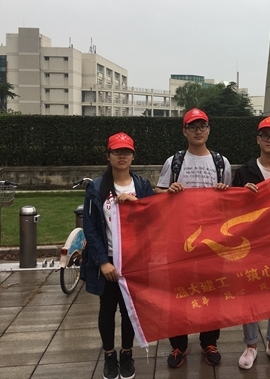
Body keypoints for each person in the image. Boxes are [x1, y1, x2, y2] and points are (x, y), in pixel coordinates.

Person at [156, 108, 232, 368]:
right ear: (184, 131)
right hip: (179, 239)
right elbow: (158, 193)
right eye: (193, 127)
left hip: (212, 240)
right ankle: (178, 344)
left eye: (202, 126)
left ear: (209, 130)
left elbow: (230, 200)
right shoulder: (174, 162)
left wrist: (223, 192)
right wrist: (169, 191)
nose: (198, 131)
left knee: (212, 290)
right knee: (178, 293)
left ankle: (209, 342)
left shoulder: (221, 162)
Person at [83, 132, 154, 379]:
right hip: (109, 260)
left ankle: (126, 353)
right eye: (117, 152)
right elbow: (91, 228)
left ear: (133, 156)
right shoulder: (96, 188)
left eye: (126, 152)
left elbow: (153, 218)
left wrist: (136, 204)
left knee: (129, 310)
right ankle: (109, 354)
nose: (122, 156)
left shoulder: (142, 186)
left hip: (133, 260)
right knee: (107, 308)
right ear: (108, 156)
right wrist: (103, 261)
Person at [232, 116, 270, 370]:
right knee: (251, 294)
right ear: (258, 139)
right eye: (265, 135)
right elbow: (230, 210)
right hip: (251, 243)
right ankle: (250, 345)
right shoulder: (244, 171)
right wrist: (241, 195)